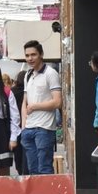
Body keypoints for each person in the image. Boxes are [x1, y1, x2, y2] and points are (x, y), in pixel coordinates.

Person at [20, 40, 62, 174]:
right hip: (29, 129)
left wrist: (35, 106)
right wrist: (23, 126)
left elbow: (57, 102)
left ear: (41, 54)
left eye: (33, 54)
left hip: (44, 129)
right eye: (27, 55)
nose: (30, 58)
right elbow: (25, 102)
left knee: (44, 169)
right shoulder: (28, 74)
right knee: (32, 170)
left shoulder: (50, 73)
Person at [11, 70, 27, 175]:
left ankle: (20, 171)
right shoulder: (28, 92)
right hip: (28, 125)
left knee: (18, 154)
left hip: (16, 127)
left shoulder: (13, 91)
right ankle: (26, 172)